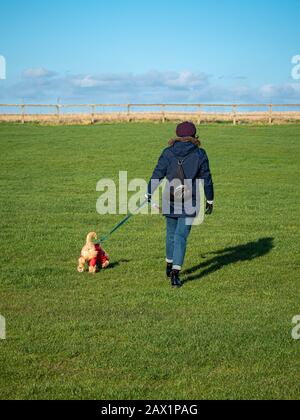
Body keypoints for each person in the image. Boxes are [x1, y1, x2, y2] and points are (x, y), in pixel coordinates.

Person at [146, 121, 214, 288]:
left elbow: (158, 173)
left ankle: (169, 267)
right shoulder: (200, 154)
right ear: (194, 136)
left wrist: (149, 192)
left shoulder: (168, 152)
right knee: (180, 236)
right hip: (190, 201)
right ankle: (175, 274)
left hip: (170, 198)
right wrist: (210, 199)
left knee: (170, 234)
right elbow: (207, 178)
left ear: (177, 135)